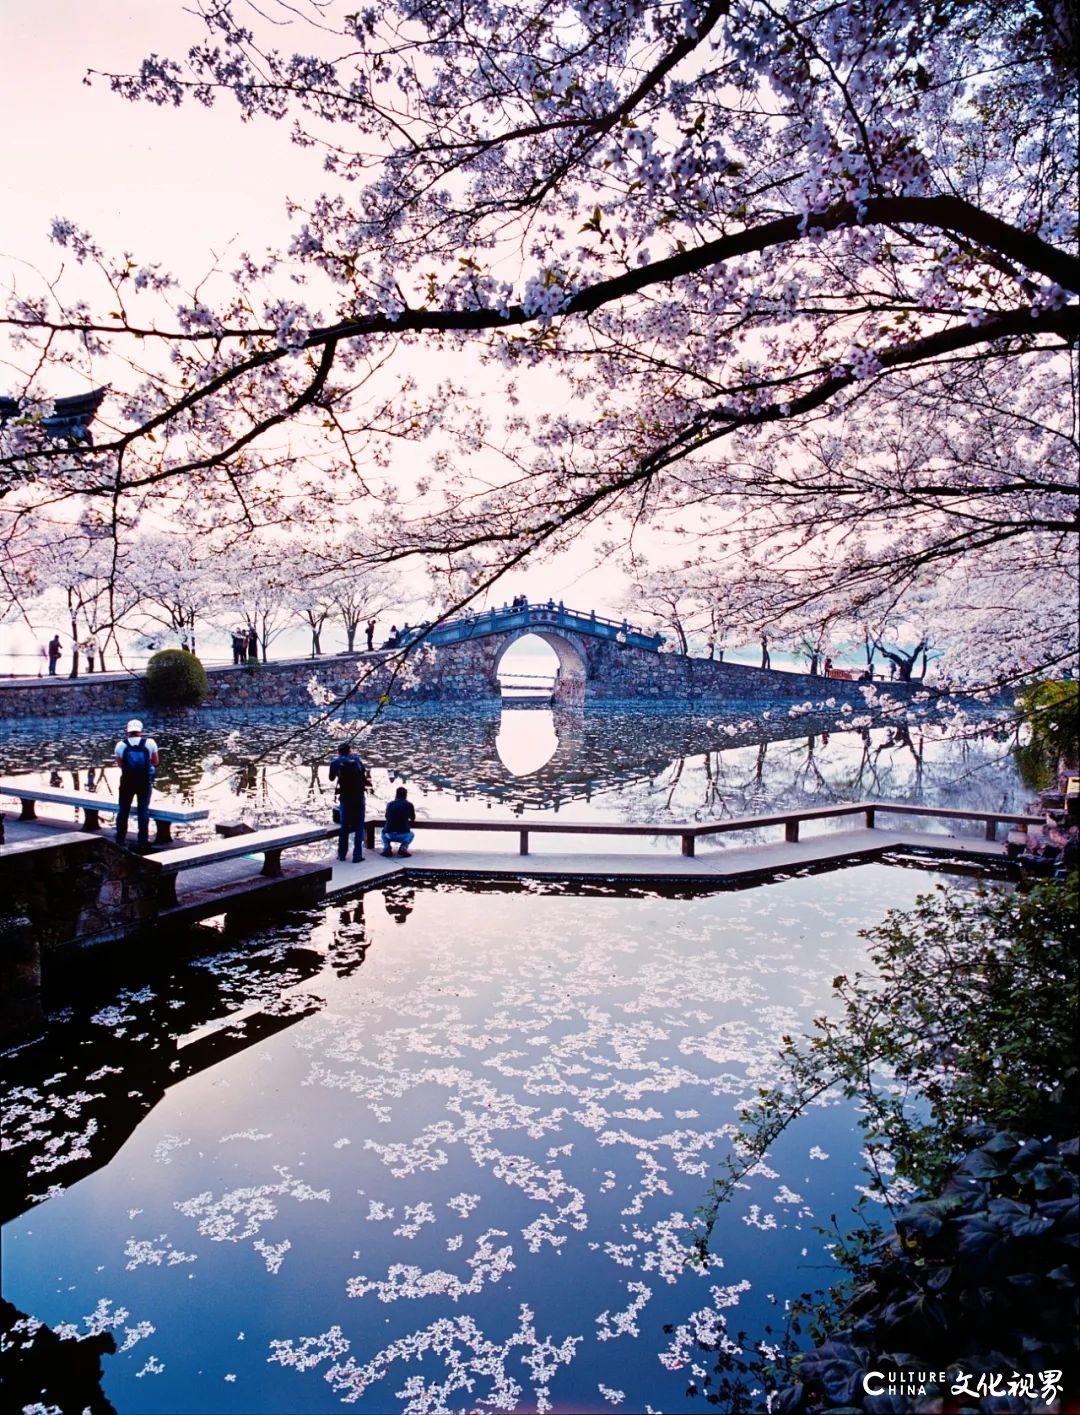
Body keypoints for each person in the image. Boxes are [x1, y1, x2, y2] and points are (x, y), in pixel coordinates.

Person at [114, 718, 159, 851]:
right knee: (143, 810)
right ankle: (142, 840)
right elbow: (155, 761)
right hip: (144, 781)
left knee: (123, 810)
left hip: (127, 781)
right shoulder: (150, 743)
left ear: (127, 731)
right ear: (140, 731)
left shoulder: (121, 745)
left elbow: (120, 765)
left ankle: (120, 839)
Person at [329, 740, 366, 863]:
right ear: (350, 750)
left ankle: (342, 854)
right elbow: (363, 773)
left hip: (345, 797)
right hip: (359, 797)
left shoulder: (336, 762)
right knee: (359, 826)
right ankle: (357, 856)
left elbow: (331, 778)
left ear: (338, 752)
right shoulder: (357, 760)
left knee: (344, 826)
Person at [381, 785, 416, 857]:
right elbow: (413, 818)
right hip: (403, 834)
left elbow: (387, 817)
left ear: (396, 794)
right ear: (406, 795)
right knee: (411, 834)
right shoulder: (409, 805)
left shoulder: (390, 804)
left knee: (383, 832)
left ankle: (387, 848)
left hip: (389, 835)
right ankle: (403, 848)